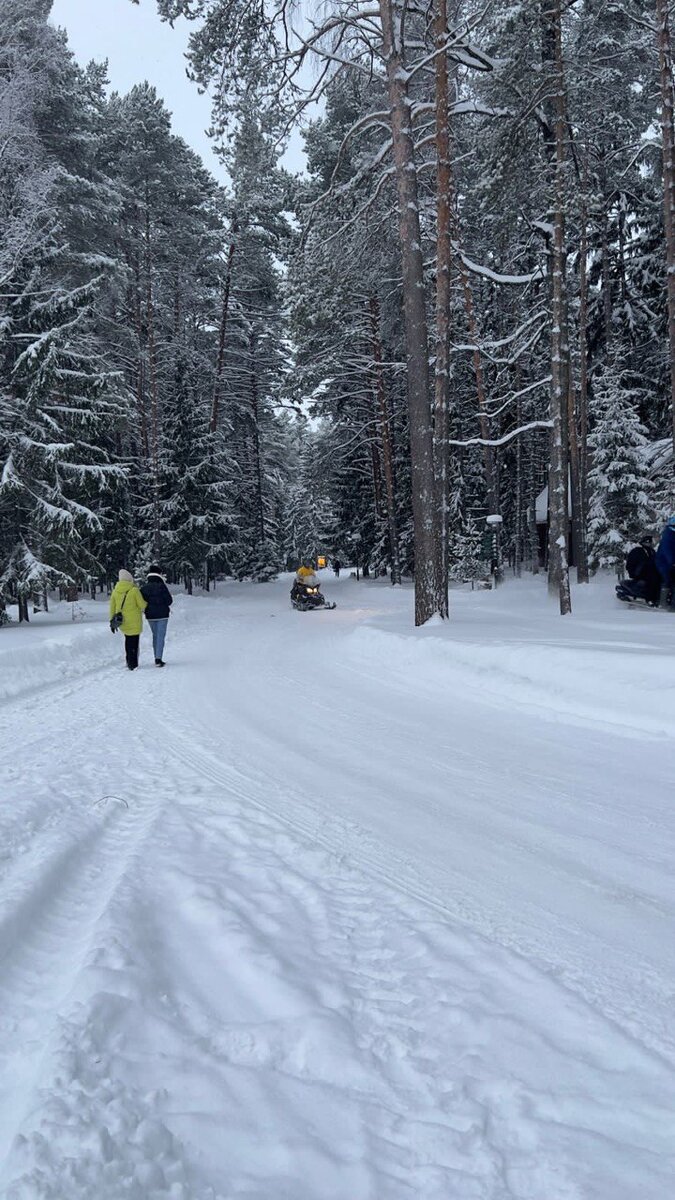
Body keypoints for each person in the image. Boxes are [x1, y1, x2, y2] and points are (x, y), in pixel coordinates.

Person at [109, 569, 147, 670]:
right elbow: (142, 605)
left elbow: (112, 607)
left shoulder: (115, 591)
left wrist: (111, 621)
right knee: (134, 642)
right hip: (134, 621)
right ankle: (133, 664)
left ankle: (128, 660)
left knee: (127, 641)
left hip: (122, 621)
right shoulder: (134, 590)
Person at [140, 565, 173, 667]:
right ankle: (158, 659)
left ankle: (156, 656)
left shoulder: (144, 588)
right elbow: (169, 601)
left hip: (150, 615)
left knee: (155, 635)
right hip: (163, 615)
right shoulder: (162, 586)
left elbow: (142, 602)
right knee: (160, 636)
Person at [625, 535, 661, 606]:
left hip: (649, 571)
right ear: (644, 542)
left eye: (650, 542)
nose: (650, 544)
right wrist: (636, 570)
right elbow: (631, 563)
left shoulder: (651, 551)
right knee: (653, 580)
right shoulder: (637, 551)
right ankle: (650, 599)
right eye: (648, 542)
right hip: (639, 572)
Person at [656, 516, 675, 608]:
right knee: (669, 580)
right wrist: (672, 562)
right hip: (665, 564)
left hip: (670, 563)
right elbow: (667, 551)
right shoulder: (668, 536)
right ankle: (665, 604)